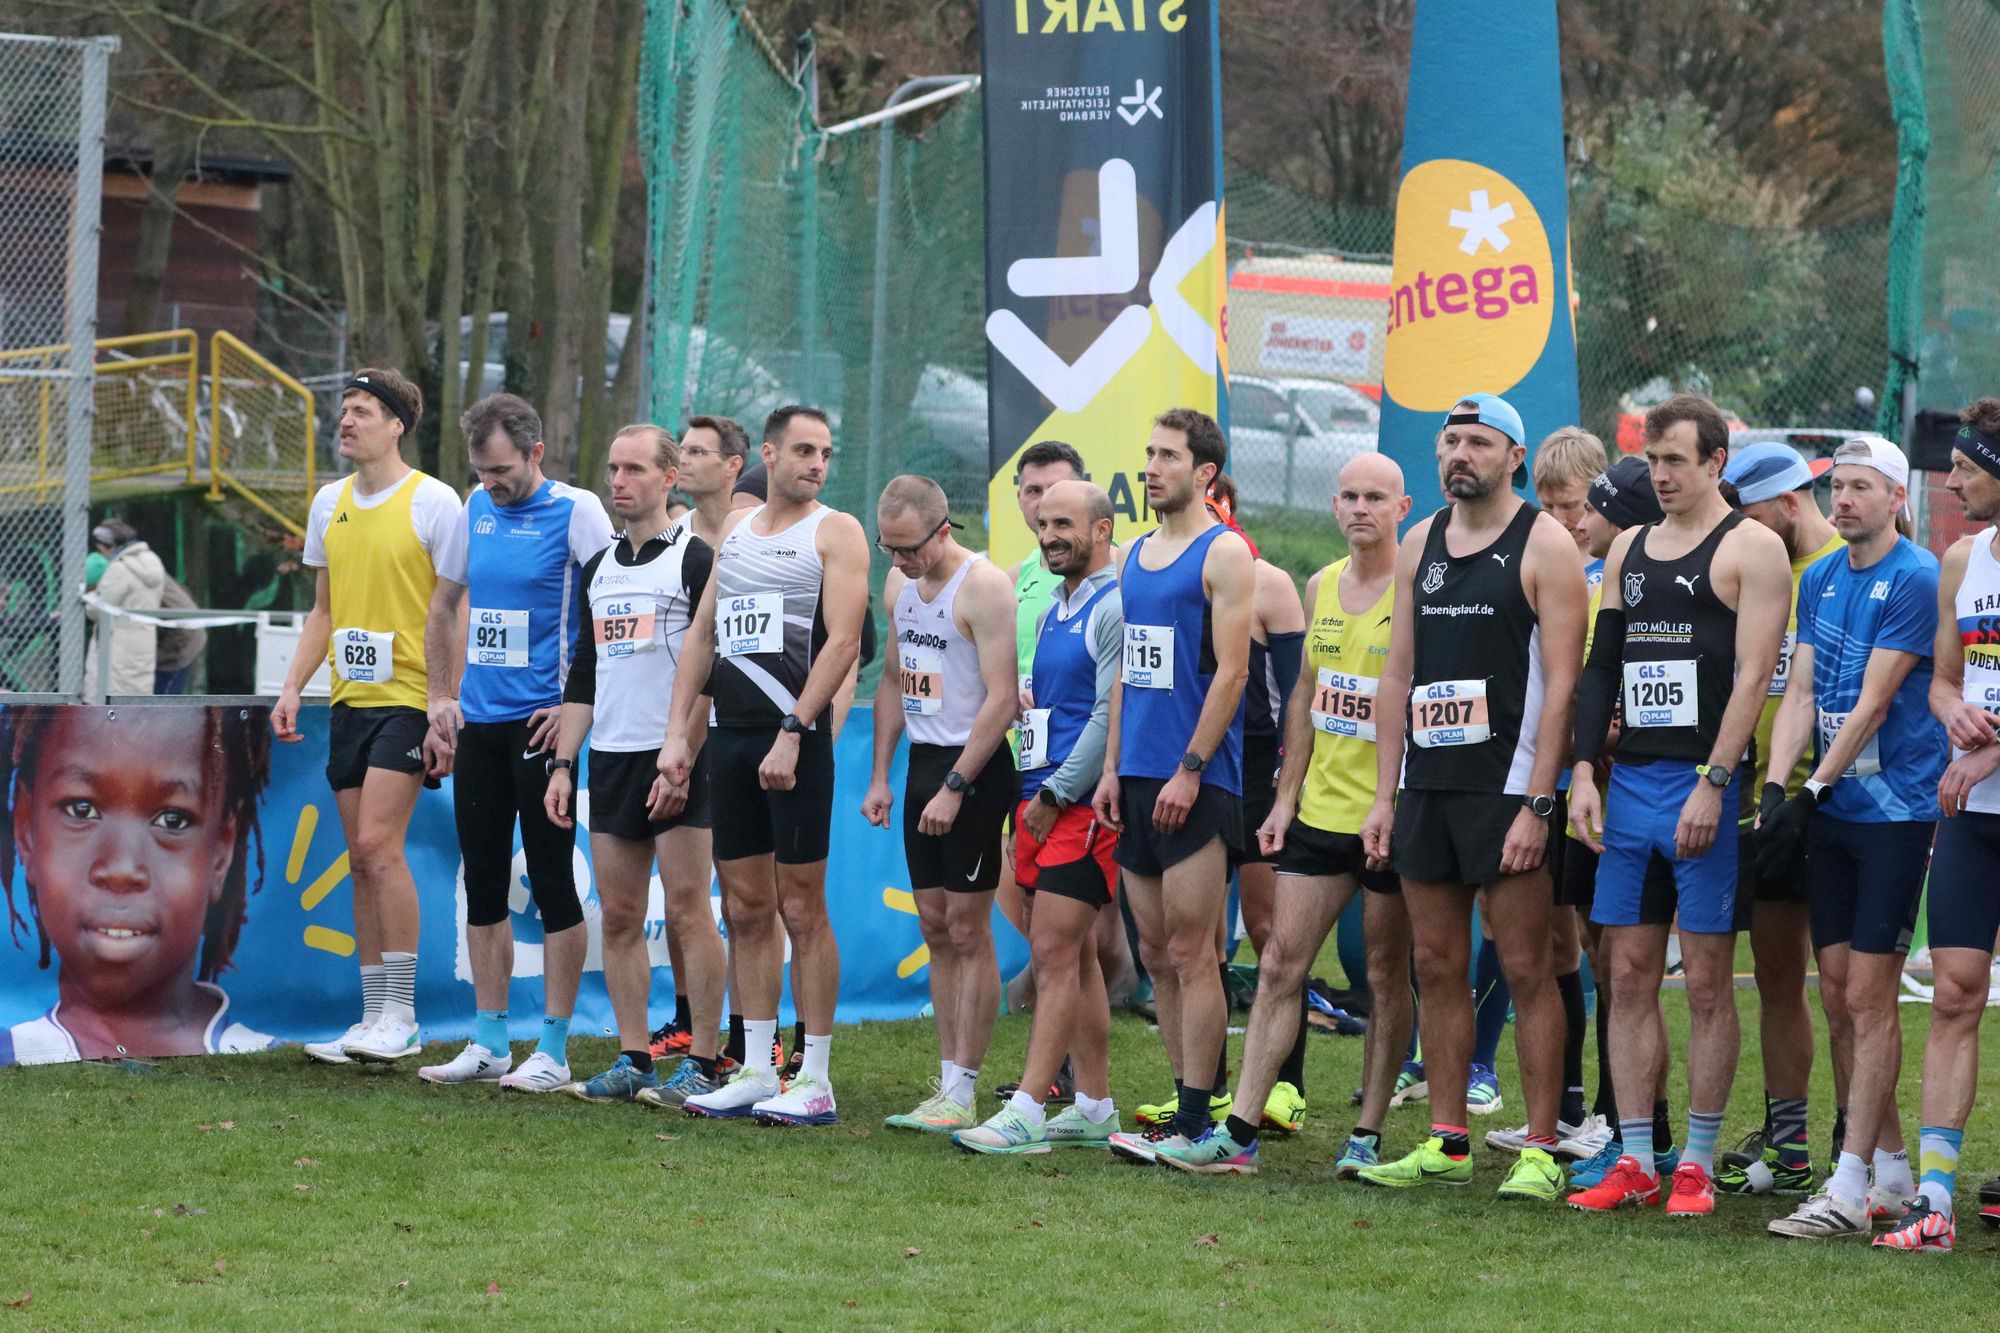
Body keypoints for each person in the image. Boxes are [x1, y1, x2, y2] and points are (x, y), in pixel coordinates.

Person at [1356, 392, 1587, 1201]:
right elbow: (1398, 673)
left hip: (1507, 789)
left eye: (1478, 442)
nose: (1459, 454)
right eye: (1451, 440)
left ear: (1514, 456)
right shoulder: (1421, 540)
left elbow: (1563, 686)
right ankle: (1447, 1138)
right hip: (1428, 786)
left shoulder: (1545, 543)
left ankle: (1541, 1146)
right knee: (1435, 963)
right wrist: (1385, 795)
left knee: (1526, 966)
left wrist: (1539, 803)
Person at [1158, 454, 1415, 1176]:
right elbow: (1304, 695)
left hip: (1390, 815)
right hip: (1320, 811)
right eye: (1350, 496)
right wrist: (1284, 798)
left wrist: (1391, 801)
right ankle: (1239, 1131)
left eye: (1376, 497)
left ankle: (1366, 1131)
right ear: (1334, 505)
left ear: (1402, 508)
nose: (1361, 508)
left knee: (1385, 974)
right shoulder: (1321, 584)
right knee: (1278, 963)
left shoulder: (1418, 588)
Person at [1567, 394, 1790, 1216]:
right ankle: (1635, 1156)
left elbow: (1754, 674)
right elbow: (1601, 666)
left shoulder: (1753, 547)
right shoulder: (1629, 544)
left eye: (1675, 461)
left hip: (1705, 791)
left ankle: (1694, 1162)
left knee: (1704, 980)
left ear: (1715, 462)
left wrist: (1716, 780)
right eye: (1651, 460)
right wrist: (1583, 770)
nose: (1659, 475)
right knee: (1625, 974)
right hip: (1630, 787)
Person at [660, 404, 869, 1125]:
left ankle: (816, 1076)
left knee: (801, 908)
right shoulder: (739, 532)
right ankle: (755, 1066)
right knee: (744, 908)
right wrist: (678, 736)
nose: (818, 464)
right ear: (770, 456)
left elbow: (844, 642)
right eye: (805, 450)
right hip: (731, 737)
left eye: (827, 453)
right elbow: (702, 636)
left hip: (795, 740)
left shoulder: (836, 531)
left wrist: (796, 728)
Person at [1760, 436, 1944, 1239]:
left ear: (1897, 498)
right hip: (1831, 810)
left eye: (1862, 487)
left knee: (1869, 995)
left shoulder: (1916, 577)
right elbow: (1801, 688)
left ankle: (1848, 1181)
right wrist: (1777, 787)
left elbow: (1873, 702)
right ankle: (1893, 1171)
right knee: (1836, 991)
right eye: (1838, 485)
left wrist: (1814, 788)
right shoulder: (1821, 576)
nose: (1844, 499)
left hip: (1896, 814)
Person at [417, 394, 614, 1092]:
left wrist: (574, 704)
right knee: (481, 883)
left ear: (536, 453)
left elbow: (608, 612)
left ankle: (554, 1048)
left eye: (502, 470)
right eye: (481, 470)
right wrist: (440, 696)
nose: (490, 482)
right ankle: (490, 1039)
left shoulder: (578, 511)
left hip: (542, 727)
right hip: (480, 726)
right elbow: (442, 606)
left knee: (554, 884)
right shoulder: (475, 507)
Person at [273, 368, 458, 1064]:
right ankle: (372, 1015)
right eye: (344, 409)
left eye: (362, 410)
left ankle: (404, 1016)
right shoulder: (328, 503)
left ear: (396, 425)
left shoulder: (434, 501)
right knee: (359, 858)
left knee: (381, 844)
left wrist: (447, 704)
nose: (346, 421)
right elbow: (324, 611)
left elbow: (455, 609)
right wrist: (292, 686)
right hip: (350, 699)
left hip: (411, 699)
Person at [542, 423, 727, 1109]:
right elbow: (585, 672)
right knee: (618, 916)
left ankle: (703, 1061)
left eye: (635, 469)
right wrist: (565, 763)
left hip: (677, 759)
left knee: (687, 911)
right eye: (614, 469)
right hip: (613, 759)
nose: (619, 481)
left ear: (669, 477)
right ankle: (633, 1058)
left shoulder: (695, 559)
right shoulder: (599, 567)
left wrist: (684, 755)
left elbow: (712, 669)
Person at [1098, 407, 1255, 1166]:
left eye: (1167, 456)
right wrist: (1111, 768)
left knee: (1195, 950)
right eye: (1149, 453)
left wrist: (1190, 769)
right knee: (1156, 953)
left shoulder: (1223, 553)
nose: (1151, 467)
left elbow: (1233, 673)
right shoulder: (1132, 553)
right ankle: (1183, 1103)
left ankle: (1198, 1122)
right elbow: (1128, 670)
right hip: (1134, 777)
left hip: (1197, 779)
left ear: (1204, 471)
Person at [953, 480, 1126, 1153]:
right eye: (1042, 522)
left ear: (1102, 530)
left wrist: (1057, 794)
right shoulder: (1056, 607)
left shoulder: (1112, 605)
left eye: (1063, 524)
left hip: (1076, 807)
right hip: (1039, 798)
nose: (1048, 535)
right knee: (1073, 956)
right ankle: (1095, 1104)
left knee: (1054, 951)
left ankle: (1027, 1108)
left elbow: (1108, 715)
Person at [1877, 401, 2000, 1251]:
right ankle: (1935, 1200)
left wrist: (1994, 751)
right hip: (1972, 817)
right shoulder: (1963, 558)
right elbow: (1944, 680)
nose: (1950, 480)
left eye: (1966, 466)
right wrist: (1953, 709)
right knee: (1954, 992)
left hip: (1980, 782)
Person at [865, 476, 1019, 1132]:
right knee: (933, 925)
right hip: (924, 763)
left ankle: (964, 1087)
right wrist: (880, 775)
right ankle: (947, 1080)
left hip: (974, 767)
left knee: (965, 928)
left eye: (910, 548)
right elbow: (893, 680)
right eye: (889, 548)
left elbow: (1002, 699)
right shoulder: (899, 585)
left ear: (943, 530)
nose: (900, 561)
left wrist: (956, 786)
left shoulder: (983, 587)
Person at [1713, 441, 1844, 1196]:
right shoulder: (1752, 566)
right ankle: (1790, 1146)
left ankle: (1856, 1146)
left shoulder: (1842, 568)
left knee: (1849, 989)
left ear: (1789, 503)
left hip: (1840, 804)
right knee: (1775, 976)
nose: (1742, 532)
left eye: (1752, 515)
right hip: (1762, 804)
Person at [1, 705, 273, 1064]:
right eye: (81, 809)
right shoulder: (12, 1049)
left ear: (221, 852)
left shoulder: (264, 1052)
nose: (122, 870)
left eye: (173, 820)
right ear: (25, 829)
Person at [1557, 456, 1685, 1191]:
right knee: (1602, 960)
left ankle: (1642, 1129)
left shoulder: (1643, 579)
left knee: (1627, 969)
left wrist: (1613, 734)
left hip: (1635, 791)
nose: (1580, 521)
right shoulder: (1594, 578)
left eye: (1593, 509)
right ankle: (1623, 1124)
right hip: (1590, 792)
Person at [1482, 427, 1612, 1148]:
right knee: (1552, 943)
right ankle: (1565, 1109)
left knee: (1606, 948)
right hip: (1536, 777)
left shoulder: (1614, 569)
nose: (1565, 520)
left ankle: (1614, 1118)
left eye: (1576, 506)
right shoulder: (1534, 559)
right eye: (1552, 506)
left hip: (1596, 780)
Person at [642, 412, 745, 1064]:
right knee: (684, 897)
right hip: (674, 738)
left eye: (701, 451)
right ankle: (686, 1019)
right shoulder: (673, 540)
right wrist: (675, 735)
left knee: (744, 897)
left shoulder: (756, 535)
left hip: (738, 736)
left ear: (734, 465)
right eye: (684, 451)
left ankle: (752, 1034)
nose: (688, 461)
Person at [83, 519, 164, 696]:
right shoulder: (153, 561)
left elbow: (99, 610)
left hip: (116, 644)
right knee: (136, 697)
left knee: (107, 697)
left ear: (108, 546)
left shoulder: (119, 569)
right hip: (144, 640)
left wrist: (89, 599)